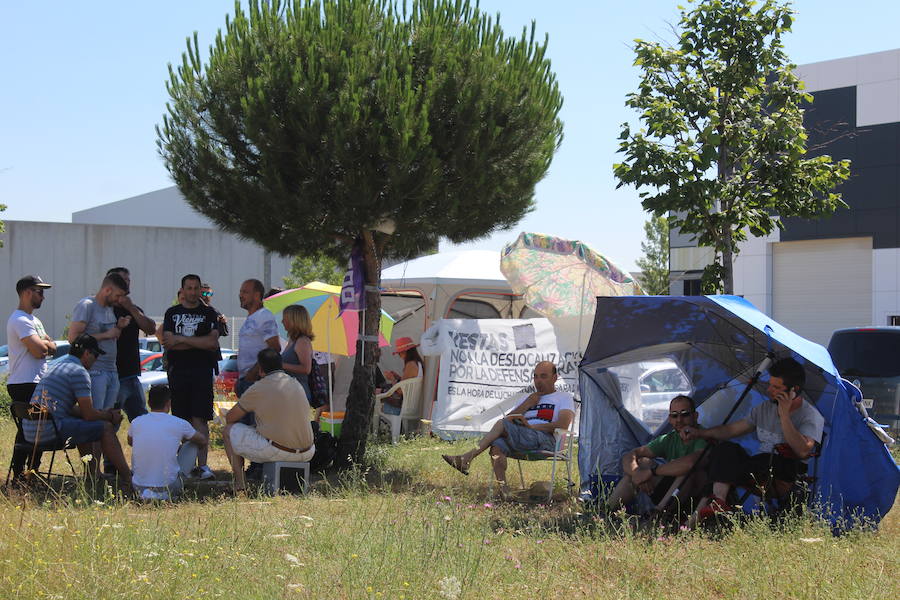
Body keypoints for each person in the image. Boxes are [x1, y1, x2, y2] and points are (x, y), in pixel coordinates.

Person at [684, 357, 825, 518]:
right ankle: (718, 501)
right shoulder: (765, 408)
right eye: (770, 384)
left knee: (729, 468)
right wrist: (700, 433)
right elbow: (731, 430)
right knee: (725, 449)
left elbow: (803, 451)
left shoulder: (810, 416)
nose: (769, 390)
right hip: (758, 466)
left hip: (785, 471)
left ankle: (696, 519)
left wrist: (784, 415)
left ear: (794, 390)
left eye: (776, 387)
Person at [442, 361, 575, 496]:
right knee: (497, 444)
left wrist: (531, 426)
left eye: (543, 376)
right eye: (535, 376)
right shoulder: (527, 398)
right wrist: (527, 404)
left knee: (501, 424)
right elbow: (509, 420)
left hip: (547, 440)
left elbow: (562, 425)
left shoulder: (564, 397)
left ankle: (467, 458)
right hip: (522, 437)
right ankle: (504, 492)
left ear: (554, 378)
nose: (538, 381)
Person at [21, 334, 131, 486]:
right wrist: (110, 417)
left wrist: (100, 414)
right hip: (49, 431)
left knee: (84, 425)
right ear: (87, 353)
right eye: (96, 355)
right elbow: (89, 415)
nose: (96, 360)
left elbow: (71, 409)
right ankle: (128, 478)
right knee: (105, 428)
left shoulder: (57, 365)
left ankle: (93, 476)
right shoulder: (79, 372)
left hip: (30, 431)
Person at [222, 348, 315, 493]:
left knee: (228, 431)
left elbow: (230, 418)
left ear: (260, 368)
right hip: (308, 451)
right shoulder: (295, 383)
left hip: (279, 450)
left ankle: (240, 484)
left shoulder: (259, 387)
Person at [161, 274, 222, 480]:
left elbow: (211, 343)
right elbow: (169, 343)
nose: (193, 292)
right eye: (189, 288)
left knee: (200, 419)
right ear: (183, 290)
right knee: (182, 421)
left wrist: (181, 340)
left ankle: (203, 466)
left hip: (202, 372)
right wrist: (197, 341)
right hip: (178, 372)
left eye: (197, 288)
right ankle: (185, 466)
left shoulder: (209, 313)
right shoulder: (172, 313)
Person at [605, 395, 707, 512]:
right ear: (669, 419)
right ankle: (606, 510)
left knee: (686, 473)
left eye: (685, 414)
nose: (679, 419)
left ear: (695, 416)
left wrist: (650, 472)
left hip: (695, 499)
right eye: (674, 415)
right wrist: (637, 474)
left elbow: (690, 464)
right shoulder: (669, 439)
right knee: (642, 463)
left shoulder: (704, 436)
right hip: (670, 493)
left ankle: (658, 514)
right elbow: (630, 455)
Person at [5, 275, 55, 479]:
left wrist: (46, 345)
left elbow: (52, 347)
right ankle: (20, 474)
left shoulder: (35, 321)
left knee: (38, 429)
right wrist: (46, 345)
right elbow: (39, 350)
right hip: (24, 383)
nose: (43, 297)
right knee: (29, 429)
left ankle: (32, 472)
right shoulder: (20, 320)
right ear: (27, 292)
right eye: (39, 292)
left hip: (36, 381)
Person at [128, 384, 208, 501]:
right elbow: (202, 440)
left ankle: (148, 492)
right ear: (169, 403)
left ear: (149, 403)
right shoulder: (179, 423)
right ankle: (166, 493)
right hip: (169, 486)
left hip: (138, 486)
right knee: (192, 445)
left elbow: (131, 442)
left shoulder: (136, 422)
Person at [68, 272, 131, 412]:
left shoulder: (109, 308)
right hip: (95, 370)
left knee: (108, 414)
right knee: (96, 414)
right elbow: (73, 338)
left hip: (112, 369)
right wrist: (106, 335)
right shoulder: (87, 305)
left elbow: (110, 336)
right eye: (118, 295)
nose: (120, 300)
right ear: (107, 290)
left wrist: (119, 327)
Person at [107, 267, 157, 421]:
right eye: (122, 280)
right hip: (111, 375)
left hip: (131, 374)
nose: (126, 283)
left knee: (141, 419)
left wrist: (131, 308)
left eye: (128, 280)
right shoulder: (103, 309)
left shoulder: (134, 310)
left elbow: (151, 328)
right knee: (111, 420)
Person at [235, 279, 280, 398]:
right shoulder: (253, 317)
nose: (240, 295)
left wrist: (254, 371)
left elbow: (274, 348)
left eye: (245, 292)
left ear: (257, 295)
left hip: (257, 380)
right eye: (240, 292)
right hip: (247, 380)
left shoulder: (264, 315)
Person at [379, 336, 424, 415]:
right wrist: (398, 377)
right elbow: (408, 383)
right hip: (413, 405)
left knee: (379, 394)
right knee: (382, 391)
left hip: (404, 406)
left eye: (399, 353)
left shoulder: (410, 365)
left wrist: (392, 379)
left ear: (405, 352)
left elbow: (400, 391)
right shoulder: (418, 363)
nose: (399, 356)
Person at [280, 305, 314, 400]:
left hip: (299, 392)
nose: (282, 322)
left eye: (285, 318)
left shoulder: (302, 341)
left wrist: (281, 365)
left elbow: (306, 369)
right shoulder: (293, 340)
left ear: (293, 320)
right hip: (290, 390)